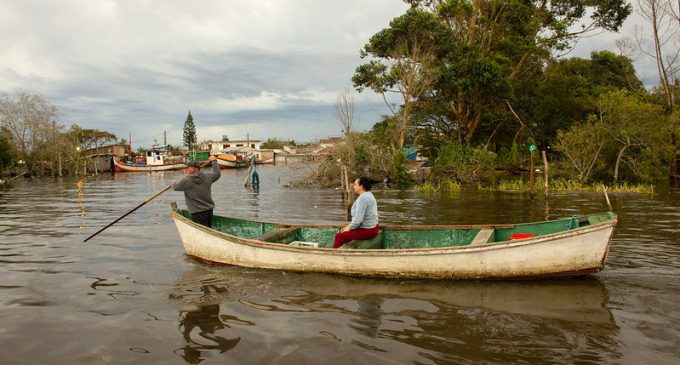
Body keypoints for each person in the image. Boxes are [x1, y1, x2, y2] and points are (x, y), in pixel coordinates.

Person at [172, 155, 220, 228]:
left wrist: (173, 181)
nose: (186, 170)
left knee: (203, 231)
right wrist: (214, 161)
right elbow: (217, 174)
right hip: (209, 210)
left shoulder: (186, 180)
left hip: (197, 212)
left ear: (192, 169)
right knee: (208, 228)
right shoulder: (208, 176)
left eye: (187, 168)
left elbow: (175, 186)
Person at [333, 176, 379, 248]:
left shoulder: (363, 198)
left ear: (361, 186)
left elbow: (358, 220)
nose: (354, 186)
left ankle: (334, 255)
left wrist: (349, 228)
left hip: (368, 230)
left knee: (339, 236)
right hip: (373, 228)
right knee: (344, 231)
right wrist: (349, 227)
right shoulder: (369, 194)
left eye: (355, 185)